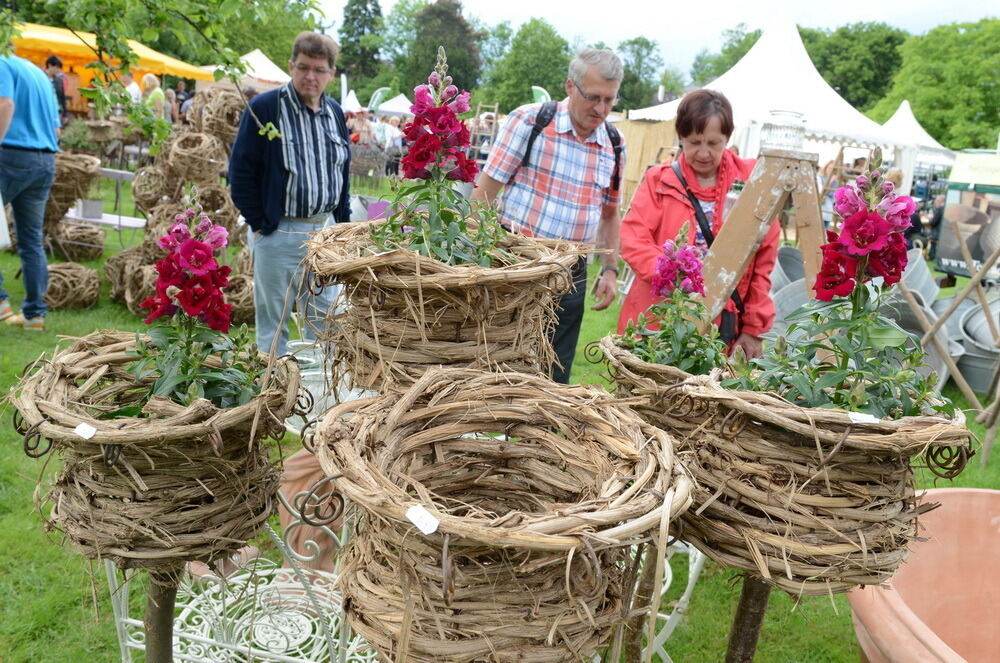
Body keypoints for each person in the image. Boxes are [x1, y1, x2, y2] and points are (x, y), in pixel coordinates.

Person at [471, 48, 625, 383]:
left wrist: (611, 270)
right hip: (516, 263)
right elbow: (484, 192)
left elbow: (611, 214)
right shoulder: (529, 121)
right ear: (570, 86)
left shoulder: (614, 142)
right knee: (495, 364)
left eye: (609, 100)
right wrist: (474, 255)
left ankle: (535, 435)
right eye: (593, 97)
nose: (601, 109)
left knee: (553, 374)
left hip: (572, 271)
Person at [617, 89, 779, 359]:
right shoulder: (658, 181)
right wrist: (679, 279)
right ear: (680, 137)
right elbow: (634, 242)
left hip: (722, 329)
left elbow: (764, 260)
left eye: (714, 143)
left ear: (728, 137)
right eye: (694, 142)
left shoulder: (753, 183)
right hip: (660, 321)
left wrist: (753, 328)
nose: (704, 153)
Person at [229, 31, 351, 355]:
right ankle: (273, 396)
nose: (310, 76)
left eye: (319, 70)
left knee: (325, 320)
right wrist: (260, 224)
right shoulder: (266, 109)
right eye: (303, 67)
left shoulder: (335, 113)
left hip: (323, 233)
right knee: (274, 323)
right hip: (278, 229)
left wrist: (342, 226)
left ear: (331, 74)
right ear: (291, 66)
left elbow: (342, 172)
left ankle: (320, 397)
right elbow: (239, 172)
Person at [0, 52, 60, 331]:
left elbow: (5, 104)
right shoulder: (39, 74)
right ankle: (35, 316)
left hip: (10, 155)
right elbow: (56, 128)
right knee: (31, 241)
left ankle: (1, 304)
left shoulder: (2, 63)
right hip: (44, 159)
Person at [44, 55, 67, 125]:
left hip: (57, 112)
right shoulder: (41, 78)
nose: (58, 70)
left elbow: (62, 98)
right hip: (44, 111)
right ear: (50, 65)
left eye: (59, 68)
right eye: (57, 67)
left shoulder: (59, 81)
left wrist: (65, 115)